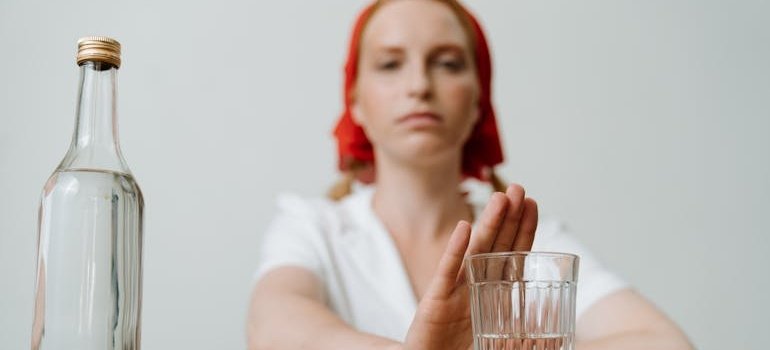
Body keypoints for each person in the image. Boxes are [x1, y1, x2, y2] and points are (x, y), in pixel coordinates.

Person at [247, 0, 693, 349]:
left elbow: (665, 343)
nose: (419, 85)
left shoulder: (532, 238)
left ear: (479, 101)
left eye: (447, 63)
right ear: (356, 102)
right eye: (390, 64)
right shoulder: (312, 226)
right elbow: (273, 324)